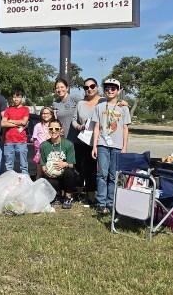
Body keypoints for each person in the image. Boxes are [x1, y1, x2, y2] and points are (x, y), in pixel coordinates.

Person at [91, 77, 132, 214]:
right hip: (102, 144)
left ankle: (111, 202)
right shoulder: (99, 106)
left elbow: (125, 128)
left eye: (113, 88)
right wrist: (94, 146)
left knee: (114, 175)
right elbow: (97, 127)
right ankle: (101, 202)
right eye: (107, 88)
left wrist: (124, 147)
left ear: (118, 91)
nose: (110, 90)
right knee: (102, 174)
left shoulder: (124, 108)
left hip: (117, 146)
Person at [73, 77, 104, 204]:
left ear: (97, 87)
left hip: (97, 140)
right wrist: (78, 126)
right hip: (82, 140)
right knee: (79, 168)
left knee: (92, 169)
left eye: (92, 86)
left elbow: (115, 105)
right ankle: (78, 194)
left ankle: (91, 196)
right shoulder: (80, 103)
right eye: (86, 87)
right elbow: (74, 119)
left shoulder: (103, 101)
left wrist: (123, 103)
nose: (89, 89)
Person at [39, 119, 81, 209]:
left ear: (61, 130)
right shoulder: (44, 145)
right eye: (51, 129)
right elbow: (42, 165)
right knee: (47, 178)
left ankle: (68, 197)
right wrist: (46, 170)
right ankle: (56, 197)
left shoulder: (68, 144)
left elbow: (72, 164)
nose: (53, 131)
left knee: (69, 172)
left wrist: (64, 164)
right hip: (52, 176)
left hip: (64, 175)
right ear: (48, 129)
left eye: (56, 129)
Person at [1, 87, 30, 174]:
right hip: (9, 141)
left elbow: (24, 122)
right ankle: (10, 185)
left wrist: (10, 121)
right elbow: (3, 123)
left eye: (18, 96)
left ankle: (25, 183)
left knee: (23, 166)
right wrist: (19, 123)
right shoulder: (8, 109)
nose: (16, 99)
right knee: (8, 166)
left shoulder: (25, 109)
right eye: (14, 97)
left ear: (22, 97)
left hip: (21, 141)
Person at [30, 106, 57, 179]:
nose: (45, 115)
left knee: (51, 172)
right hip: (40, 152)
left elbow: (58, 137)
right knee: (40, 172)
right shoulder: (37, 126)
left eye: (47, 113)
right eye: (43, 113)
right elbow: (34, 139)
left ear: (51, 115)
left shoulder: (55, 125)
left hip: (53, 152)